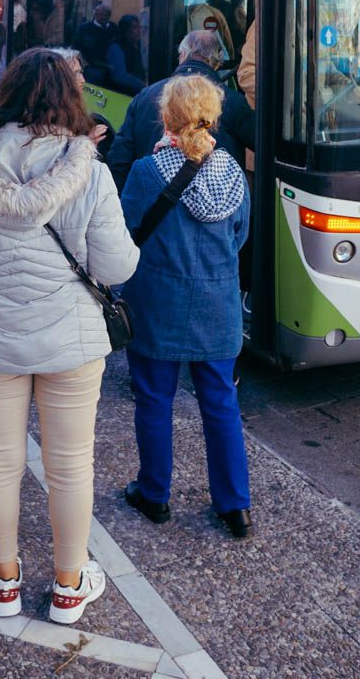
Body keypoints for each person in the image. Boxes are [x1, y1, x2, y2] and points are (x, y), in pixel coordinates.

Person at [0, 48, 139, 625]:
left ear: (6, 95)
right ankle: (70, 588)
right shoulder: (89, 171)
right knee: (70, 466)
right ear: (68, 99)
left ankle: (5, 581)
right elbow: (117, 268)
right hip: (69, 340)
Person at [119, 75, 254, 539]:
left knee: (154, 401)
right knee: (221, 403)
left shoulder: (146, 171)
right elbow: (240, 237)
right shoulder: (232, 172)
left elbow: (127, 230)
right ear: (213, 118)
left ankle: (154, 494)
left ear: (166, 118)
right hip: (218, 304)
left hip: (158, 302)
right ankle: (235, 507)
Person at [107, 30, 255, 190]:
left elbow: (119, 157)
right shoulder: (233, 101)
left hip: (153, 204)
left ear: (183, 55)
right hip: (216, 205)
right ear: (216, 62)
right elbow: (263, 143)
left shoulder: (145, 97)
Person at [71, 4, 115, 78]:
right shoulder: (84, 28)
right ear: (95, 15)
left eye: (106, 15)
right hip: (91, 67)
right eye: (100, 15)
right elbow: (76, 47)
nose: (103, 17)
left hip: (111, 68)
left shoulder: (114, 28)